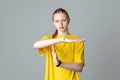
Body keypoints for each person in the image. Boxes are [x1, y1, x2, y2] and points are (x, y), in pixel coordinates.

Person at [33, 8, 85, 80]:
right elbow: (35, 45)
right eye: (57, 21)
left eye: (63, 20)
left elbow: (79, 67)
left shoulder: (76, 40)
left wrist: (60, 64)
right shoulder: (49, 39)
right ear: (53, 23)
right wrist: (62, 39)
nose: (60, 24)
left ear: (69, 20)